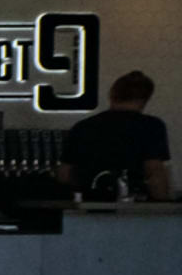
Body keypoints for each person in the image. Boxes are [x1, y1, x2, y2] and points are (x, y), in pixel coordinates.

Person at [60, 70, 174, 202]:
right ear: (145, 99)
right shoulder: (151, 126)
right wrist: (163, 203)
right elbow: (154, 171)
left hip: (90, 202)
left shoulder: (83, 127)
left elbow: (64, 173)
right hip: (134, 204)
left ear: (112, 94)